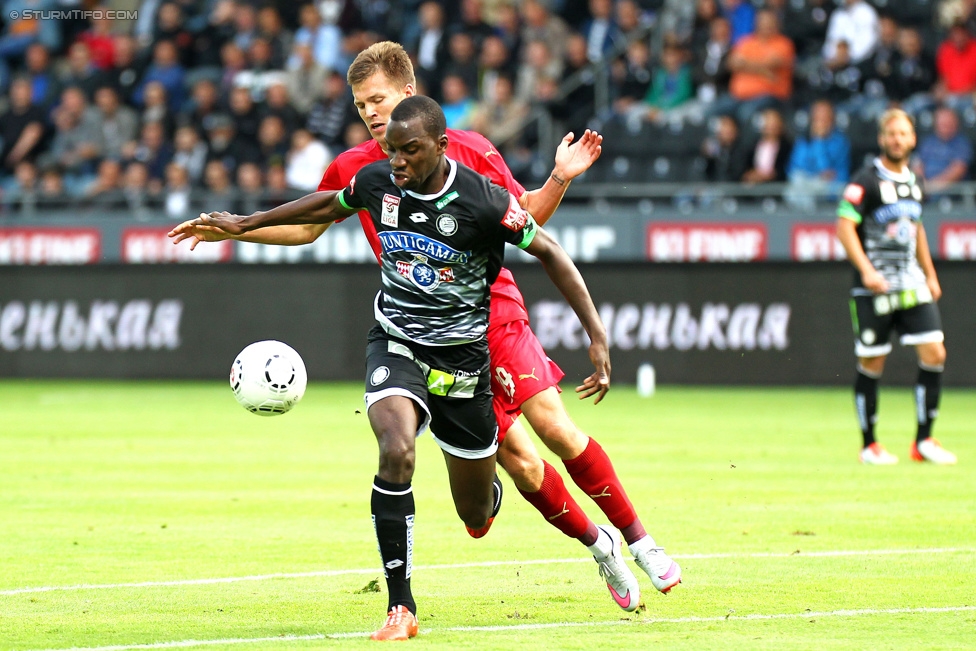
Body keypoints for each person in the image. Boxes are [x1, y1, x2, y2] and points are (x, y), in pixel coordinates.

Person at [169, 40, 681, 631]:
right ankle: (600, 547)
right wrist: (238, 233)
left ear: (410, 94)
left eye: (380, 101)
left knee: (555, 428)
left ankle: (642, 544)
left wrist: (558, 181)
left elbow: (528, 224)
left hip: (492, 314)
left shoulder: (468, 152)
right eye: (362, 106)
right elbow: (309, 227)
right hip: (415, 328)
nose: (371, 115)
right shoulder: (361, 170)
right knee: (515, 473)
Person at [835, 108, 956, 466]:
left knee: (935, 354)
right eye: (891, 134)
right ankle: (869, 444)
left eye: (903, 134)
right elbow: (844, 227)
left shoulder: (915, 181)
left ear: (913, 139)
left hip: (911, 283)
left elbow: (916, 229)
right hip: (875, 286)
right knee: (872, 361)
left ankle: (923, 441)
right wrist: (868, 272)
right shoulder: (864, 180)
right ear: (881, 139)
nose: (897, 140)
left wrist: (930, 274)